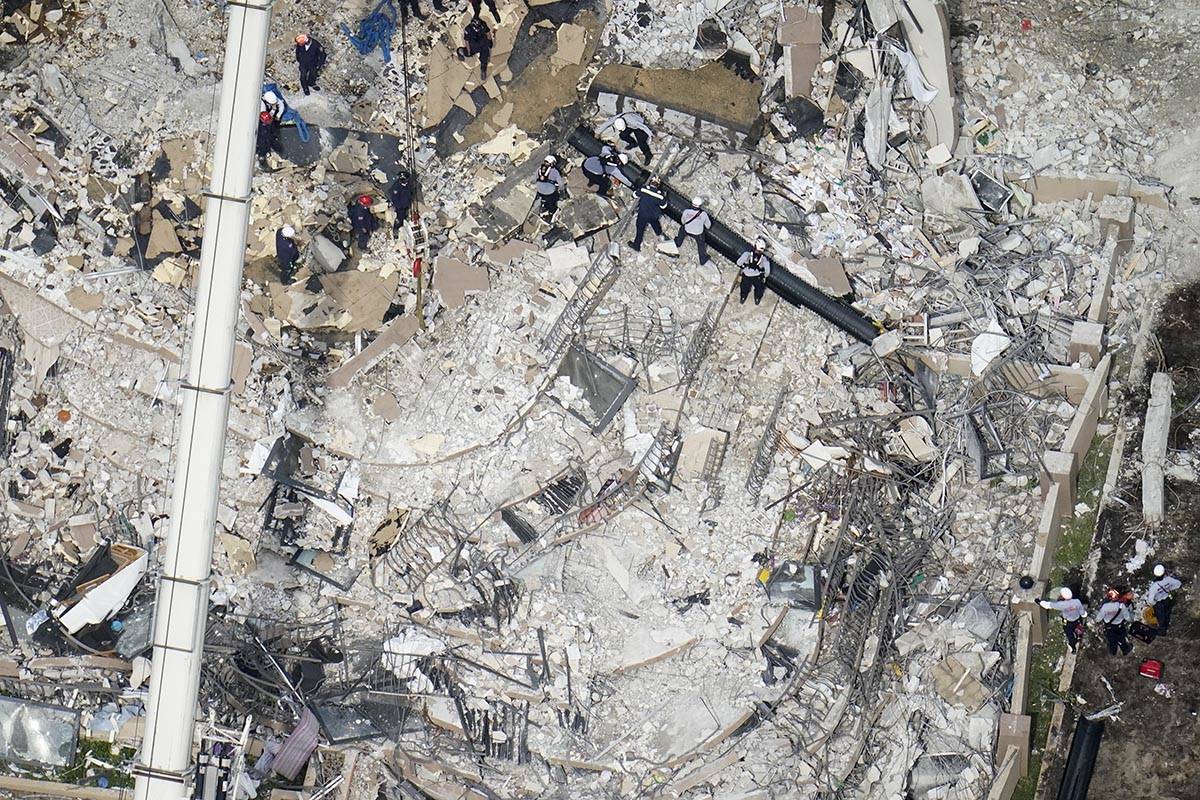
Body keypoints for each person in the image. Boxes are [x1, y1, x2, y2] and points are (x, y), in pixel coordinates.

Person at [1039, 587, 1087, 653]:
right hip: (1077, 618)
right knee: (1077, 627)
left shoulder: (1062, 604)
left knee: (1068, 632)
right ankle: (1078, 634)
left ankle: (1072, 646)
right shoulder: (1077, 601)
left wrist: (1040, 602)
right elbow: (1082, 612)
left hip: (1067, 621)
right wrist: (1084, 614)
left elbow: (1049, 605)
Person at [629, 176, 667, 251]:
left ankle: (636, 246)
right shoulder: (660, 196)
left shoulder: (644, 189)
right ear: (658, 185)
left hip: (642, 214)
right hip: (653, 215)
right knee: (656, 225)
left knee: (640, 230)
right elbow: (664, 206)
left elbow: (634, 195)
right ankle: (660, 234)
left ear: (650, 182)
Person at [674, 197, 712, 266]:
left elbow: (683, 221)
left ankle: (678, 243)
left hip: (687, 230)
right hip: (698, 233)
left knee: (682, 229)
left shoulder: (686, 211)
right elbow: (708, 226)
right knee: (701, 245)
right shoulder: (703, 214)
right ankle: (702, 259)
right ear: (700, 205)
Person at [1146, 564, 1182, 634]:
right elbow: (1178, 584)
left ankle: (1162, 631)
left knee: (1160, 617)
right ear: (1164, 572)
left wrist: (1154, 603)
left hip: (1159, 603)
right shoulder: (1168, 579)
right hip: (1167, 599)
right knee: (1167, 613)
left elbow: (1150, 600)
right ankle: (1166, 625)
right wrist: (1169, 588)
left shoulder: (1153, 587)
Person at [1096, 589, 1134, 655]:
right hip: (1119, 625)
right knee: (1121, 638)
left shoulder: (1105, 607)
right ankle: (1125, 649)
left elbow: (1098, 619)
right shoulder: (1121, 606)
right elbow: (1127, 618)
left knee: (1112, 640)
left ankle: (1113, 651)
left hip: (1109, 627)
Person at [457, 15, 493, 80]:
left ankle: (483, 70)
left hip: (483, 41)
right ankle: (459, 51)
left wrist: (490, 41)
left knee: (485, 57)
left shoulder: (483, 24)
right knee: (467, 54)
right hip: (473, 43)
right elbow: (467, 41)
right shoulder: (468, 29)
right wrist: (468, 51)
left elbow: (488, 33)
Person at [737, 239, 772, 305]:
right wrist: (763, 275)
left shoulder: (747, 254)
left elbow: (739, 262)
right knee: (759, 288)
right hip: (757, 276)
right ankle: (757, 299)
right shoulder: (764, 259)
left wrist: (744, 267)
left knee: (744, 286)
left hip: (746, 275)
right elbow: (767, 271)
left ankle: (743, 297)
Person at [534, 156, 565, 221]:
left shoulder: (539, 169)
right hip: (549, 192)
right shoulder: (555, 171)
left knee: (545, 197)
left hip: (539, 190)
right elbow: (561, 184)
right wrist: (562, 192)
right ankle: (552, 212)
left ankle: (543, 207)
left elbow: (534, 179)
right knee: (554, 197)